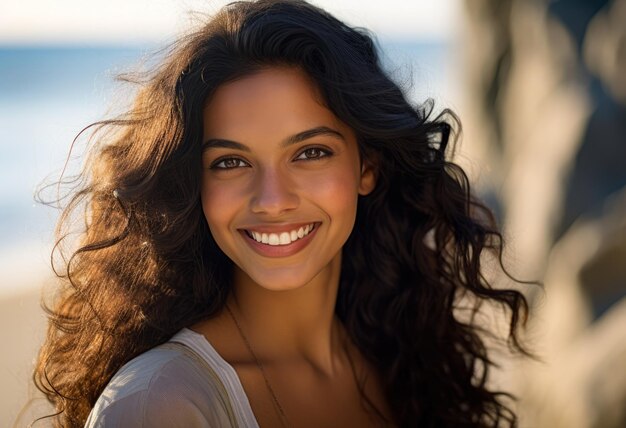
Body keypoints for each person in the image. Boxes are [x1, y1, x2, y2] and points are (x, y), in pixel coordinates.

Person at [32, 0, 530, 426]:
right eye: (230, 162)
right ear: (194, 185)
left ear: (367, 166)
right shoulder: (159, 404)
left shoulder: (401, 353)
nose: (272, 199)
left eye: (310, 152)